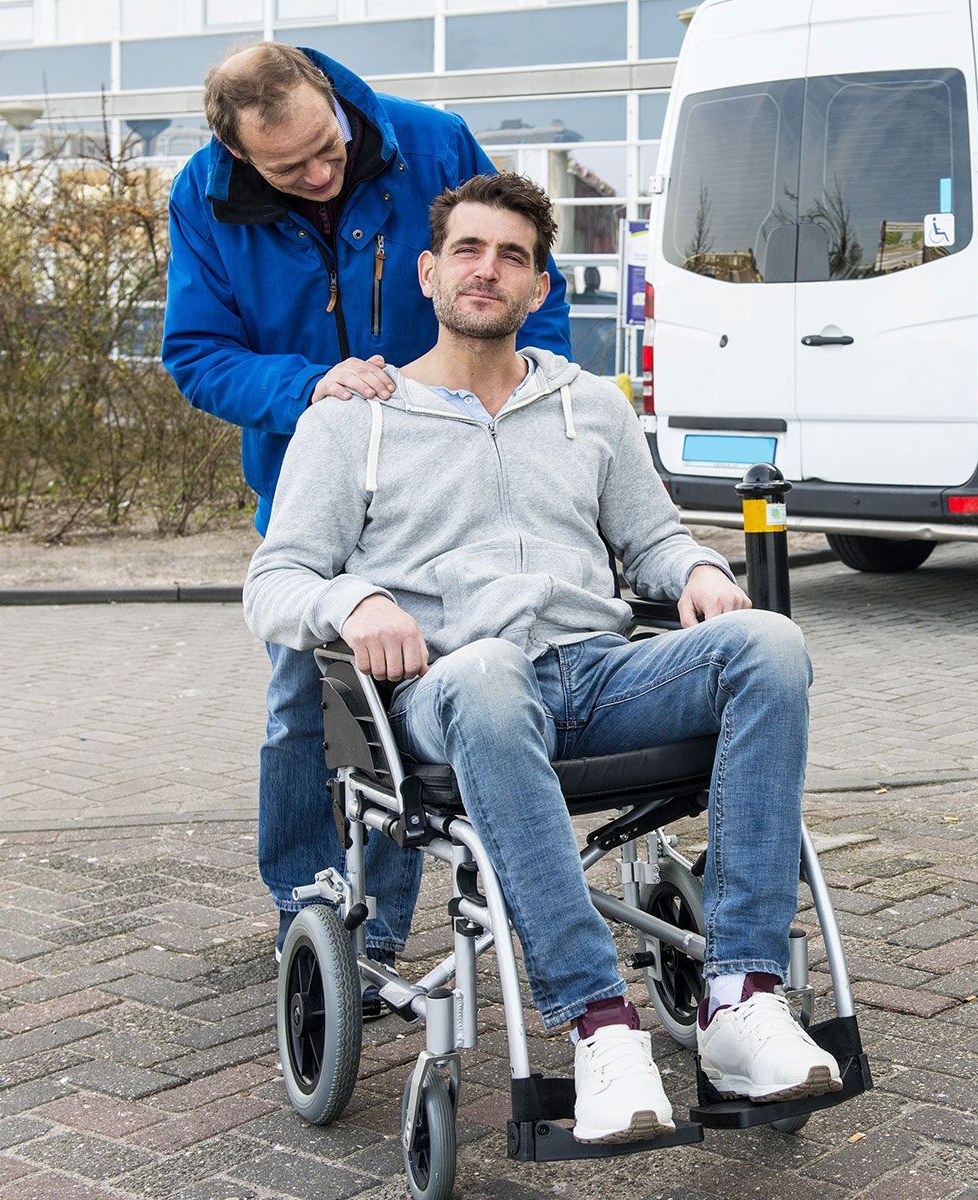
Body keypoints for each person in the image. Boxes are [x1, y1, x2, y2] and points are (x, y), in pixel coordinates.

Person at [242, 171, 840, 1144]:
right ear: (430, 272)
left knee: (769, 645)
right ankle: (600, 1026)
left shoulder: (591, 406)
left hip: (595, 676)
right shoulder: (354, 419)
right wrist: (355, 598)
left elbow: (652, 539)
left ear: (541, 287)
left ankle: (739, 999)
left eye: (512, 256)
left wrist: (696, 569)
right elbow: (275, 583)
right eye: (470, 251)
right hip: (448, 691)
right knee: (484, 670)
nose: (489, 270)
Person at [160, 43, 572, 976]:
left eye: (326, 149)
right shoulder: (204, 194)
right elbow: (196, 352)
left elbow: (513, 278)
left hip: (449, 490)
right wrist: (311, 387)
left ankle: (380, 924)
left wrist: (547, 399)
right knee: (304, 707)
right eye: (286, 167)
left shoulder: (430, 141)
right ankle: (311, 914)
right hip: (314, 484)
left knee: (422, 685)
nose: (315, 175)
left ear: (336, 104)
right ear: (236, 154)